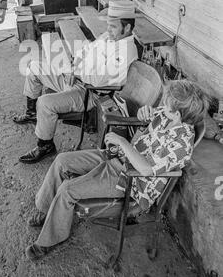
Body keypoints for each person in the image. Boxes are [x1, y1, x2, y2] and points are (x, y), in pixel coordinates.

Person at [24, 79, 208, 261]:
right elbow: (150, 117)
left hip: (130, 180)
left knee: (67, 189)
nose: (162, 106)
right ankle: (47, 209)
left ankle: (49, 239)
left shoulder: (181, 145)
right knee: (62, 161)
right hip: (120, 157)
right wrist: (145, 114)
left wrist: (122, 142)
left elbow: (145, 169)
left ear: (177, 115)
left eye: (167, 106)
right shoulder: (168, 115)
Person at [15, 0, 139, 164]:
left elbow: (98, 79)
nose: (108, 30)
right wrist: (73, 68)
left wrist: (77, 71)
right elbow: (85, 50)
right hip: (77, 78)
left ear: (128, 28)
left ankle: (45, 145)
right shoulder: (109, 37)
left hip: (90, 93)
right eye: (108, 25)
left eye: (113, 26)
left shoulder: (125, 50)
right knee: (34, 67)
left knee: (45, 102)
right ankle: (32, 113)